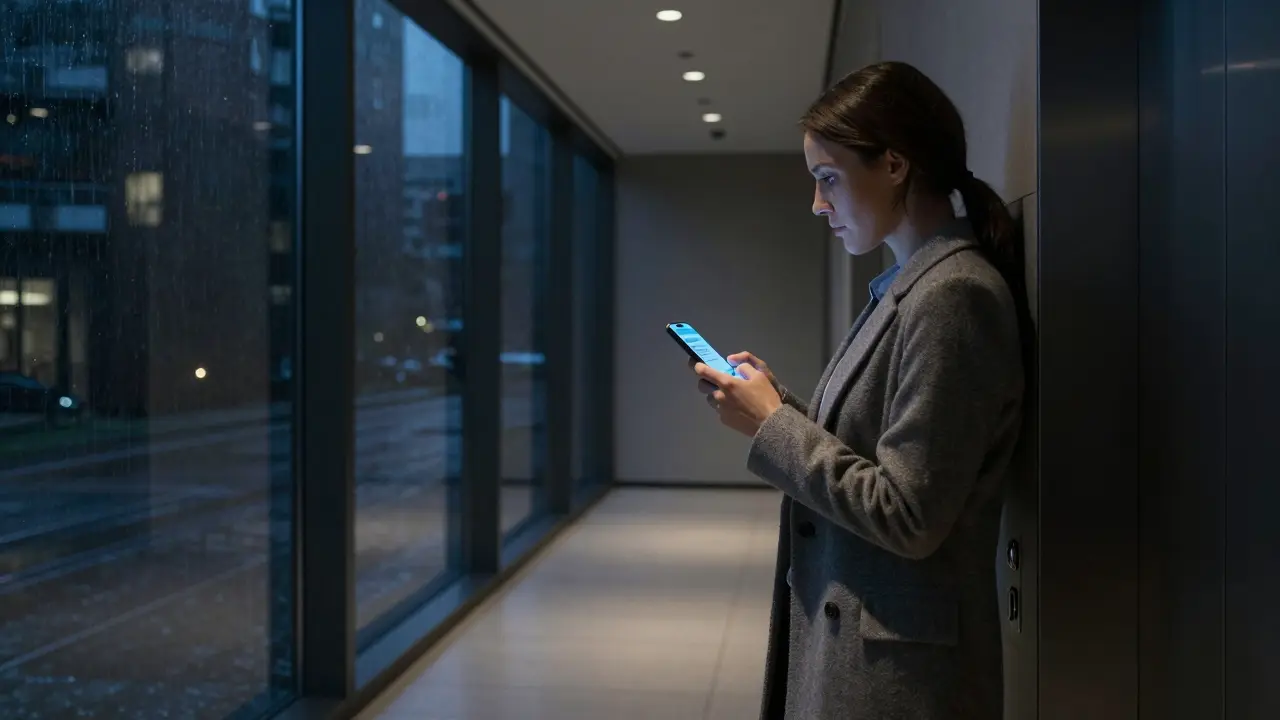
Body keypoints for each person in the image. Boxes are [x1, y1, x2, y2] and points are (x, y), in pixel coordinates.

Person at [689, 61, 1030, 720]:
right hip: (870, 648)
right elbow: (878, 451)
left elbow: (908, 513)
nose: (818, 204)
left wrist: (773, 427)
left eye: (828, 179)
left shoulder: (954, 296)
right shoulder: (909, 288)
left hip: (899, 672)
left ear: (895, 165)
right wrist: (777, 407)